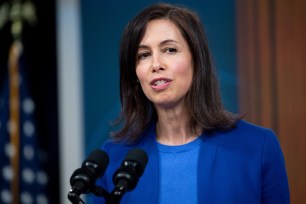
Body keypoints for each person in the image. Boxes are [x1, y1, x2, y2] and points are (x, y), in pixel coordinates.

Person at [93, 3, 290, 204]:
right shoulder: (112, 159)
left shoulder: (258, 147)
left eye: (169, 49)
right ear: (135, 74)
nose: (156, 64)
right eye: (144, 55)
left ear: (197, 61)